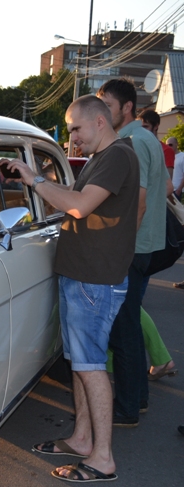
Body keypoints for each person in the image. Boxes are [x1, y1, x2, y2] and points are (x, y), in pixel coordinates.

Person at [6, 95, 139, 483]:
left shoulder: (117, 156)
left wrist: (35, 179)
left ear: (100, 121)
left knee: (91, 367)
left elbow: (79, 206)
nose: (73, 137)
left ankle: (103, 457)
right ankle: (82, 439)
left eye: (76, 128)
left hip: (95, 280)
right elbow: (75, 202)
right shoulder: (103, 158)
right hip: (84, 275)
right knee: (81, 364)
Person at [97, 79, 169, 428]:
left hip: (132, 247)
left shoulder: (132, 142)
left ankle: (126, 407)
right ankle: (137, 398)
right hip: (144, 245)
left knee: (123, 330)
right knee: (128, 326)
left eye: (106, 106)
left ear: (126, 107)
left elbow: (137, 203)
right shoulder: (147, 138)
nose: (101, 113)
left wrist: (119, 248)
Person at [138, 110, 174, 177]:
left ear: (156, 126)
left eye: (145, 126)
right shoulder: (137, 147)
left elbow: (167, 182)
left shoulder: (166, 150)